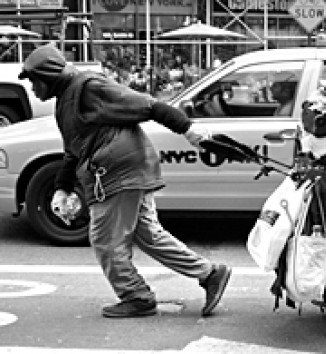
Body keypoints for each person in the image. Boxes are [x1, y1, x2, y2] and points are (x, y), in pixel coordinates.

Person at [18, 43, 231, 318]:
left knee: (105, 240)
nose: (33, 90)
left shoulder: (88, 87)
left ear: (48, 76)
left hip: (117, 173)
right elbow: (73, 151)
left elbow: (147, 104)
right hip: (127, 171)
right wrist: (62, 188)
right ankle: (210, 274)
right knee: (149, 235)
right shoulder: (66, 101)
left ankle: (136, 296)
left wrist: (188, 129)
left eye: (34, 82)